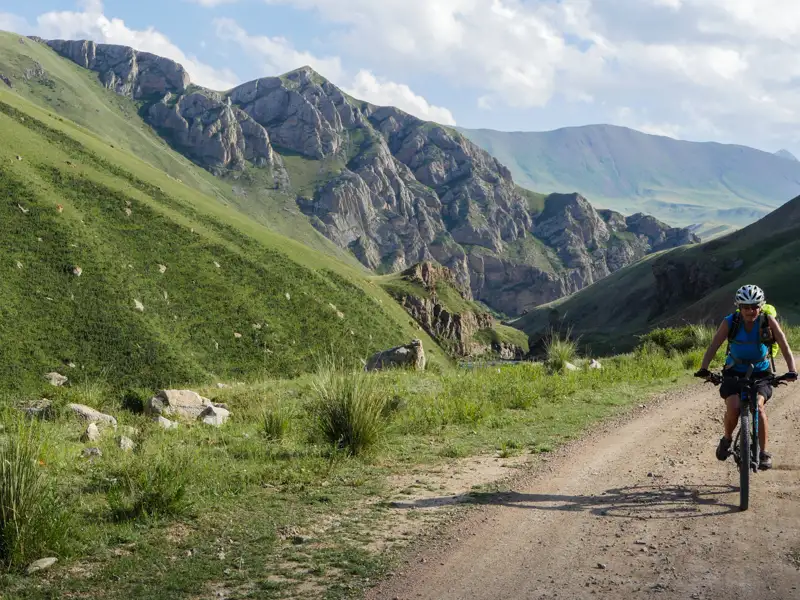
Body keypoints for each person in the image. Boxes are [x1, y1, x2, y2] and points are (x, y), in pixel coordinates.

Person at [694, 284, 797, 469]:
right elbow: (714, 345)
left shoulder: (768, 321)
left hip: (761, 373)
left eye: (754, 306)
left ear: (761, 306)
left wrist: (792, 370)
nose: (750, 311)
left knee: (758, 407)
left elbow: (784, 344)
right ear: (739, 307)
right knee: (733, 408)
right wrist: (704, 368)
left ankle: (764, 452)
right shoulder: (730, 322)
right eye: (745, 307)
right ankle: (727, 439)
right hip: (733, 372)